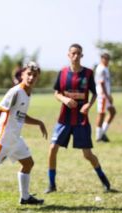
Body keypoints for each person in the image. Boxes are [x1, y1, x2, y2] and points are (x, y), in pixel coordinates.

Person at [45, 43, 111, 194]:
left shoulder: (88, 73)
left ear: (82, 56)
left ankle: (104, 181)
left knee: (87, 154)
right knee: (52, 148)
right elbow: (56, 92)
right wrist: (64, 99)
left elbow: (95, 93)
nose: (75, 56)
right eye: (73, 53)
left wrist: (88, 105)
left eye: (78, 53)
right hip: (64, 119)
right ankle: (51, 185)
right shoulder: (62, 73)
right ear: (68, 55)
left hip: (81, 120)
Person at [0, 61, 47, 205]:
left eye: (34, 75)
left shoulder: (28, 93)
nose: (31, 77)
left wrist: (39, 123)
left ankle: (25, 197)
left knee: (28, 163)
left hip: (15, 139)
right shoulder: (16, 91)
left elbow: (20, 116)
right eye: (29, 74)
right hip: (3, 139)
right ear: (22, 74)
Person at [94, 53, 116, 142]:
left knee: (112, 112)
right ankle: (98, 136)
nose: (107, 61)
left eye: (108, 59)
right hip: (102, 95)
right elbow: (102, 83)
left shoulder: (105, 68)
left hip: (106, 94)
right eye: (105, 59)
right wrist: (107, 96)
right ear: (102, 59)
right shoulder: (101, 69)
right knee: (102, 114)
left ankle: (102, 133)